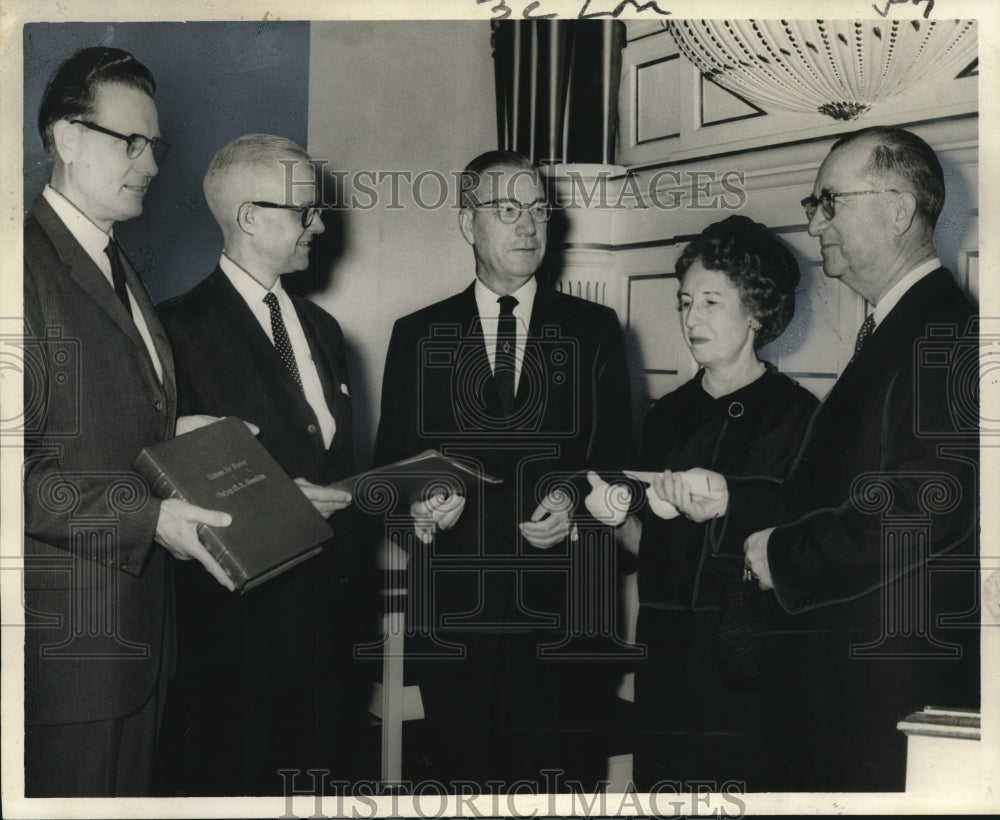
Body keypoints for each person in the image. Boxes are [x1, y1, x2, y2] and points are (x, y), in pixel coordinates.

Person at [659, 126, 979, 791]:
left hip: (881, 693)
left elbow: (926, 504)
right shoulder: (900, 324)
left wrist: (784, 556)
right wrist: (731, 500)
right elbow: (838, 494)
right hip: (849, 685)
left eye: (829, 201)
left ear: (898, 210)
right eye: (814, 205)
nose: (816, 222)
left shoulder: (944, 329)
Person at [373, 150, 632, 790]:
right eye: (507, 209)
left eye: (538, 210)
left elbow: (616, 466)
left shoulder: (595, 329)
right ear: (468, 223)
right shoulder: (416, 333)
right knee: (466, 781)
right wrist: (423, 498)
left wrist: (571, 503)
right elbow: (389, 470)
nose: (527, 226)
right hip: (458, 609)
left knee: (565, 784)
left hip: (572, 606)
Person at [22, 46, 235, 797]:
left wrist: (179, 431)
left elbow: (99, 423)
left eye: (156, 145)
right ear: (66, 137)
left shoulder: (116, 264)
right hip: (70, 663)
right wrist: (152, 521)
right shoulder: (21, 267)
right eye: (130, 141)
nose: (149, 163)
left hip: (139, 646)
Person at [155, 134, 377, 794]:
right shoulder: (175, 332)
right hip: (239, 647)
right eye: (306, 209)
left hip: (332, 634)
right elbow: (169, 488)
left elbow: (332, 463)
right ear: (251, 216)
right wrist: (281, 505)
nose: (321, 222)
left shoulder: (325, 330)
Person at [613, 216, 818, 791]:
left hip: (745, 652)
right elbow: (641, 544)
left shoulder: (797, 414)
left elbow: (805, 536)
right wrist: (610, 518)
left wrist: (730, 506)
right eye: (684, 302)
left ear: (756, 311)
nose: (691, 318)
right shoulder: (667, 413)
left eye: (710, 302)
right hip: (663, 647)